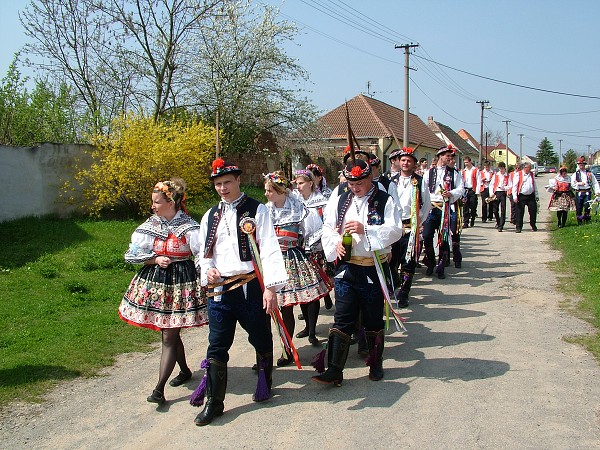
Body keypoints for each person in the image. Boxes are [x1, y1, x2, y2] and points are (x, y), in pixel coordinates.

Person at [193, 159, 287, 426]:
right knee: (217, 344)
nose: (222, 188)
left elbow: (269, 248)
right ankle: (214, 402)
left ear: (237, 181)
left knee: (260, 337)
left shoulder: (257, 210)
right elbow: (204, 253)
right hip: (221, 290)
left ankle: (264, 380)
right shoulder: (210, 216)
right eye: (218, 184)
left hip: (251, 286)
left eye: (227, 182)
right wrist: (209, 270)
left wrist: (270, 287)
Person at [312, 158, 402, 386]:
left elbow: (395, 230)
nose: (354, 187)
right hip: (347, 267)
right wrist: (336, 244)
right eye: (351, 183)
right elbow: (328, 227)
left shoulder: (384, 199)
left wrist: (367, 230)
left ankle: (375, 362)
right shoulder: (341, 199)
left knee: (372, 319)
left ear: (369, 176)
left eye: (359, 182)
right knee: (342, 316)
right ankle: (333, 368)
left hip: (372, 267)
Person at [119, 178, 208, 406]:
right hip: (158, 284)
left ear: (171, 202)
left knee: (169, 335)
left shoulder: (190, 227)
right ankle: (185, 371)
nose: (153, 206)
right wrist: (154, 258)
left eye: (156, 202)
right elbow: (132, 254)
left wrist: (206, 280)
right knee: (169, 332)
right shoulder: (151, 225)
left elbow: (202, 256)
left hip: (182, 285)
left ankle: (158, 389)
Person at [264, 171, 330, 362]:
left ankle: (287, 349)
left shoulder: (297, 208)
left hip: (291, 260)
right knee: (266, 311)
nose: (266, 194)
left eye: (269, 190)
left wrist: (306, 247)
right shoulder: (264, 211)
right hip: (270, 261)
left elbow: (315, 230)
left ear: (280, 191)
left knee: (286, 308)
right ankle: (264, 353)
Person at [392, 147, 431, 307]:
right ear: (398, 162)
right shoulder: (391, 180)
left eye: (409, 160)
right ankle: (393, 287)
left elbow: (427, 205)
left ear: (414, 163)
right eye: (403, 160)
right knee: (392, 261)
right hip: (393, 228)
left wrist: (418, 223)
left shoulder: (420, 182)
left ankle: (404, 294)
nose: (405, 163)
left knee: (408, 262)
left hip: (410, 227)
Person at [293, 169, 335, 313]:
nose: (298, 186)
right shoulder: (295, 201)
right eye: (297, 183)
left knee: (321, 274)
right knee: (309, 279)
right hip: (301, 245)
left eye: (301, 183)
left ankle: (325, 295)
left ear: (310, 183)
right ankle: (310, 309)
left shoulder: (321, 201)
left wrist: (318, 238)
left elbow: (328, 222)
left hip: (319, 244)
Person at [423, 145, 464, 279]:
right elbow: (423, 190)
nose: (450, 158)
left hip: (445, 208)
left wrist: (451, 193)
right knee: (427, 235)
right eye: (448, 156)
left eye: (451, 156)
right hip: (431, 208)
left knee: (444, 238)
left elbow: (460, 189)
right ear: (440, 156)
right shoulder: (429, 172)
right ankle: (430, 262)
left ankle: (441, 266)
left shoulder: (454, 173)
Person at [571, 157, 600, 225]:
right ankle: (579, 222)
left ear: (584, 165)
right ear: (578, 165)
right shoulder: (576, 174)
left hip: (587, 192)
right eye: (580, 164)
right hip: (579, 192)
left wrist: (597, 192)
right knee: (579, 207)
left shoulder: (589, 173)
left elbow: (595, 182)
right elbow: (572, 184)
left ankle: (586, 220)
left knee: (587, 206)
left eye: (582, 164)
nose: (581, 166)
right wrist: (578, 184)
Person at [512, 162, 539, 233]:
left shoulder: (531, 174)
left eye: (530, 168)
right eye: (528, 168)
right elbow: (515, 185)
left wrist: (536, 195)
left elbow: (534, 185)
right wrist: (514, 196)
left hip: (530, 195)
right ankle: (519, 227)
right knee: (520, 212)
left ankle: (533, 224)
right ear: (525, 168)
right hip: (521, 195)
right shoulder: (518, 174)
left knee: (533, 210)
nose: (530, 169)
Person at [489, 162, 510, 232]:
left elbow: (510, 185)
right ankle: (498, 222)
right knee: (495, 210)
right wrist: (491, 193)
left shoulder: (507, 176)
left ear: (504, 168)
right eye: (500, 168)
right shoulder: (496, 175)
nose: (501, 170)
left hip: (503, 193)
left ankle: (501, 225)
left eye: (502, 168)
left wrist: (505, 188)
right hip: (496, 192)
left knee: (503, 210)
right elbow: (491, 185)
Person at [461, 156, 480, 228]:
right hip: (465, 190)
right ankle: (465, 222)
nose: (466, 164)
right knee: (465, 206)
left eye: (467, 162)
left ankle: (472, 218)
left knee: (473, 206)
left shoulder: (475, 170)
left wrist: (477, 191)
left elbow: (478, 180)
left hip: (473, 190)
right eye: (465, 162)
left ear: (470, 162)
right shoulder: (463, 171)